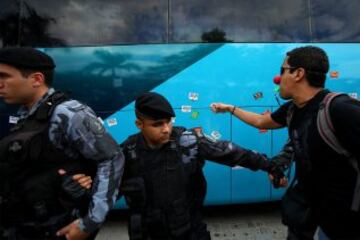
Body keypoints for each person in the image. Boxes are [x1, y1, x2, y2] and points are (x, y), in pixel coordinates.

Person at [211, 46, 360, 239]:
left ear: (298, 73)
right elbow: (260, 121)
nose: (278, 78)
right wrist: (231, 109)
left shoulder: (340, 109)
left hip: (345, 219)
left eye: (283, 70)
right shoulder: (292, 109)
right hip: (311, 210)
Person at [115, 91, 286, 240]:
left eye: (169, 121)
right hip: (148, 234)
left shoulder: (187, 141)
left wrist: (271, 166)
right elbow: (105, 191)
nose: (166, 129)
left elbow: (231, 152)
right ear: (139, 124)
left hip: (189, 231)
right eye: (157, 124)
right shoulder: (127, 152)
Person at [0, 47, 124, 240]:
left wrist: (89, 223)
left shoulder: (68, 113)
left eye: (4, 76)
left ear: (36, 79)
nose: (0, 84)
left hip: (57, 228)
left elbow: (111, 158)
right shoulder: (26, 116)